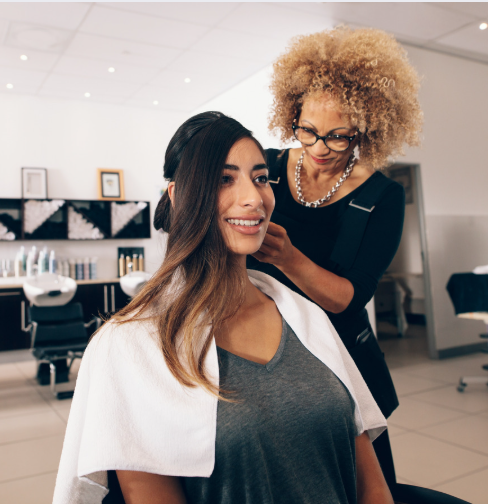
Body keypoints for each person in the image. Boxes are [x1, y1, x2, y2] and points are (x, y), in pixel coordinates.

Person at [54, 111, 392, 504]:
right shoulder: (130, 345)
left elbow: (372, 487)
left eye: (261, 178)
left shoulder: (306, 319)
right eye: (223, 179)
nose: (254, 198)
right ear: (178, 196)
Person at [246, 26, 424, 489]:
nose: (319, 148)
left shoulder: (382, 196)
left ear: (366, 129)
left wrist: (289, 258)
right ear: (292, 114)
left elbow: (350, 297)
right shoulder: (265, 168)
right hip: (262, 347)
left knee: (364, 481)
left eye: (338, 136)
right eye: (307, 130)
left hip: (341, 355)